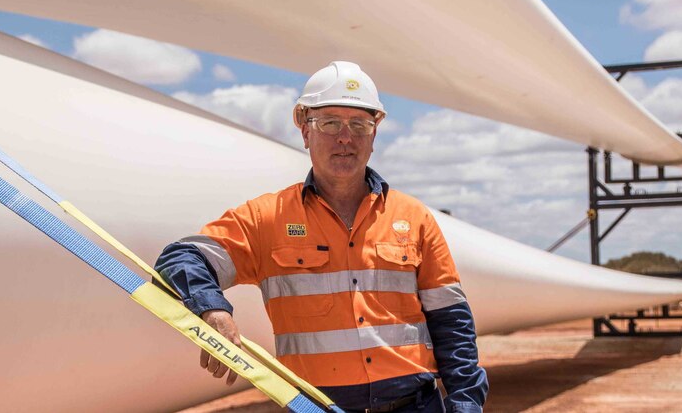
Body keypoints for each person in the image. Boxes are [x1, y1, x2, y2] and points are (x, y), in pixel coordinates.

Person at [155, 61, 488, 412]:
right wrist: (213, 311)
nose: (345, 137)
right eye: (329, 122)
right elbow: (179, 258)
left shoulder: (414, 218)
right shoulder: (267, 218)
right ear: (305, 132)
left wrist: (466, 406)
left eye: (359, 124)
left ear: (374, 134)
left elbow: (452, 324)